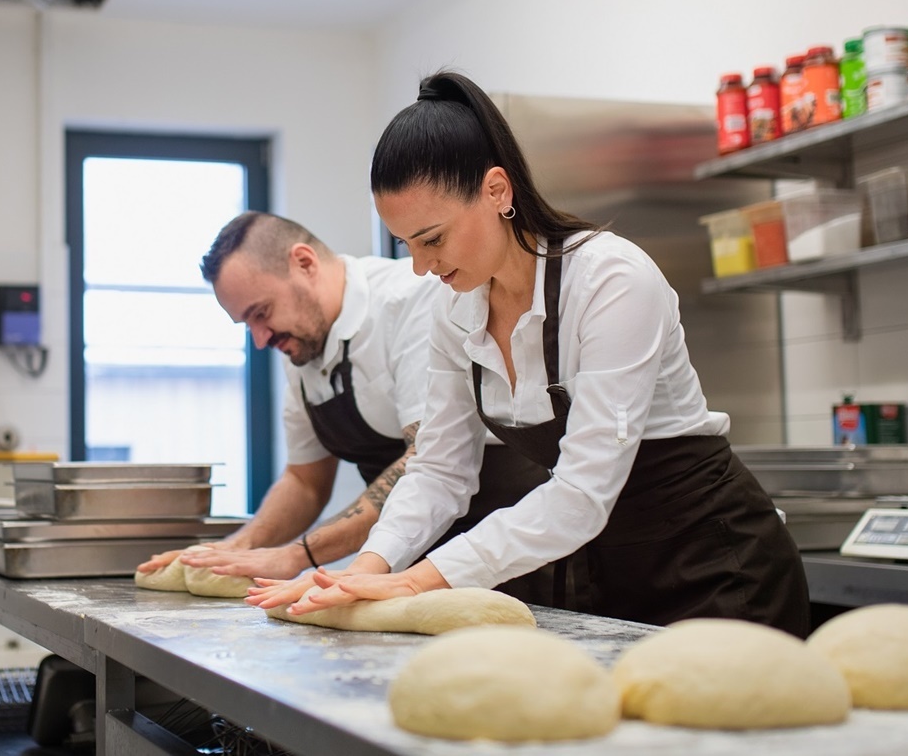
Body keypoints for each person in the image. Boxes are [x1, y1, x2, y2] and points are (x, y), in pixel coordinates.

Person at [248, 71, 810, 637]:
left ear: (497, 191)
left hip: (718, 567)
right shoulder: (455, 310)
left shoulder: (611, 279)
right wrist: (360, 575)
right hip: (613, 575)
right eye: (406, 246)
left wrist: (418, 580)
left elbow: (583, 493)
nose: (421, 267)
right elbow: (440, 470)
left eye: (433, 239)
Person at [136, 211, 544, 586]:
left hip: (506, 544)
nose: (260, 339)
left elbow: (427, 460)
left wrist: (298, 556)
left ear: (305, 263)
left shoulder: (410, 302)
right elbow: (305, 481)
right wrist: (236, 549)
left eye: (261, 313)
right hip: (403, 555)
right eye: (247, 325)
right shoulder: (299, 345)